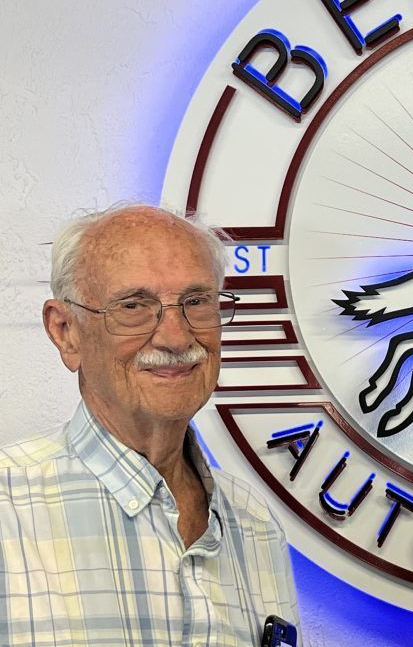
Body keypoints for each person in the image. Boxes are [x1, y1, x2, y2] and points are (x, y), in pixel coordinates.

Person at [0, 204, 299, 645]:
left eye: (196, 302)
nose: (175, 337)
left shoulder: (255, 522)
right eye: (134, 306)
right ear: (65, 331)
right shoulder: (8, 510)